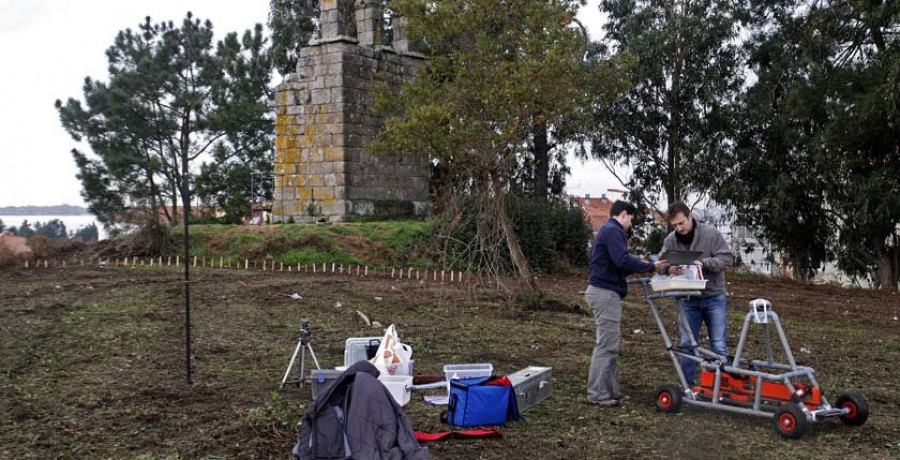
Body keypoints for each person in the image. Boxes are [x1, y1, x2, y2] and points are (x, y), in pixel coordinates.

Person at [585, 200, 666, 406]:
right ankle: (597, 393)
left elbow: (620, 264)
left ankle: (610, 391)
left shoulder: (608, 231)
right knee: (606, 345)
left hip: (604, 292)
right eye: (631, 218)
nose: (631, 223)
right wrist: (651, 266)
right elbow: (623, 260)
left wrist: (644, 264)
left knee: (610, 345)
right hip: (605, 293)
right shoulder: (614, 231)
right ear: (623, 214)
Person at [658, 202, 733, 387]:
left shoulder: (711, 234)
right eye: (675, 225)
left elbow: (726, 258)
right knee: (687, 344)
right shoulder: (670, 241)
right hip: (687, 299)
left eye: (682, 223)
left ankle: (720, 388)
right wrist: (670, 268)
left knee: (718, 344)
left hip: (713, 296)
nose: (679, 228)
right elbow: (660, 263)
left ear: (690, 216)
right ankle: (688, 387)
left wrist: (704, 263)